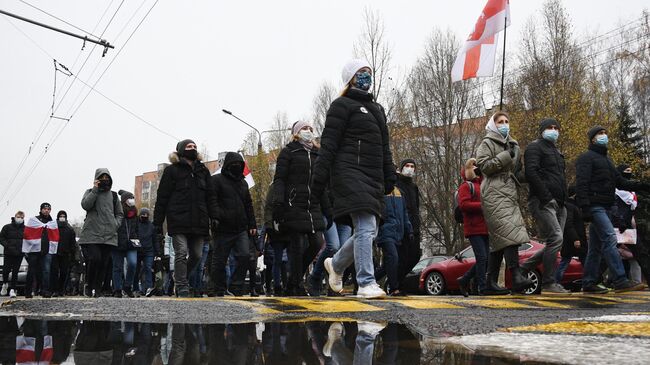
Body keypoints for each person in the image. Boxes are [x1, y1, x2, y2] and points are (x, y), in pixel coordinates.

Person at [311, 59, 396, 299]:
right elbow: (328, 146)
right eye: (361, 73)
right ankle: (366, 282)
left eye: (369, 72)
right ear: (350, 78)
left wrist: (389, 174)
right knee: (366, 226)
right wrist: (319, 181)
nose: (366, 76)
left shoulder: (377, 109)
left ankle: (336, 265)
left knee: (368, 231)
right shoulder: (341, 106)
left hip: (373, 176)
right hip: (348, 173)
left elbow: (384, 146)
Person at [575, 125, 649, 293]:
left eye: (605, 133)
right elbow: (582, 183)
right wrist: (584, 207)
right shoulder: (586, 158)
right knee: (610, 239)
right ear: (593, 138)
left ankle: (588, 282)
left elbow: (622, 182)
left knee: (595, 248)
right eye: (601, 133)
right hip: (595, 207)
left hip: (607, 207)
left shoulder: (608, 161)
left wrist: (643, 185)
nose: (604, 136)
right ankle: (620, 280)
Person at [476, 112, 533, 294]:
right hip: (493, 192)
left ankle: (490, 282)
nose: (504, 124)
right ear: (493, 125)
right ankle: (515, 275)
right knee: (509, 233)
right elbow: (484, 166)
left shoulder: (513, 144)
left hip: (509, 192)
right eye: (500, 122)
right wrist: (505, 156)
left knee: (500, 239)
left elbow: (516, 171)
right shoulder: (487, 143)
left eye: (507, 121)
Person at [154, 139, 218, 298]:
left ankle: (179, 277)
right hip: (178, 220)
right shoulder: (171, 171)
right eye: (189, 146)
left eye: (195, 146)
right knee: (181, 252)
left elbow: (211, 196)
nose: (193, 148)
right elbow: (162, 197)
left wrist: (214, 215)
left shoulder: (203, 171)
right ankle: (182, 286)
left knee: (196, 255)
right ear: (181, 150)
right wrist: (157, 222)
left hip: (199, 221)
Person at [272, 120, 327, 296]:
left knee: (317, 243)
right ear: (296, 132)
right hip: (293, 204)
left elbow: (322, 183)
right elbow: (279, 179)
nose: (308, 131)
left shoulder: (318, 154)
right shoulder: (288, 152)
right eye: (304, 128)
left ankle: (293, 279)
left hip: (313, 206)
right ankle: (296, 284)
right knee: (296, 247)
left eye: (310, 128)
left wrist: (328, 209)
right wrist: (279, 203)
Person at [520, 118, 570, 294]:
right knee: (556, 239)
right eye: (550, 127)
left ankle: (523, 270)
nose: (554, 130)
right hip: (543, 202)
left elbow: (559, 178)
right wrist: (547, 197)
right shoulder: (535, 147)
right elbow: (531, 172)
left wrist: (565, 199)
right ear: (542, 130)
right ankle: (549, 282)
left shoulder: (557, 152)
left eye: (556, 127)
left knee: (555, 242)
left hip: (560, 204)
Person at [210, 152, 257, 296]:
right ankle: (219, 288)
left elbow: (248, 205)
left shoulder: (243, 183)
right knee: (220, 260)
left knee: (245, 256)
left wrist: (252, 224)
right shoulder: (216, 180)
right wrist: (216, 217)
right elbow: (212, 201)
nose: (237, 166)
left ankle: (236, 286)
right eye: (234, 164)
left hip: (241, 228)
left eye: (240, 164)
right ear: (227, 165)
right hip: (223, 227)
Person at [78, 168, 123, 298]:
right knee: (94, 258)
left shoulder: (114, 196)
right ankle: (89, 284)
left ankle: (97, 288)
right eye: (101, 177)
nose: (104, 180)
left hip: (109, 235)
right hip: (91, 235)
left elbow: (120, 214)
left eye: (106, 177)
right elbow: (86, 205)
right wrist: (95, 189)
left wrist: (115, 224)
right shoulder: (90, 192)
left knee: (104, 263)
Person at [456, 158, 489, 296]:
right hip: (473, 228)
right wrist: (483, 206)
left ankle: (465, 280)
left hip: (484, 227)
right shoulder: (465, 186)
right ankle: (482, 286)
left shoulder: (481, 185)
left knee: (486, 259)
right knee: (482, 258)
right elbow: (464, 205)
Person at [375, 186, 413, 296]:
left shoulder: (399, 192)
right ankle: (394, 288)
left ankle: (368, 280)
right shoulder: (380, 189)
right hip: (385, 231)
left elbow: (404, 213)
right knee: (393, 257)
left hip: (398, 233)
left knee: (389, 264)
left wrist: (409, 229)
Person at [611, 164, 644, 283]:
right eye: (626, 171)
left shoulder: (632, 193)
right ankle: (615, 280)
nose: (629, 173)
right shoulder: (615, 191)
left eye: (630, 171)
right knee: (617, 254)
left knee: (634, 255)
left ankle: (636, 281)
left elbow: (631, 212)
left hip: (629, 227)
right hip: (617, 226)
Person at [395, 159, 423, 286]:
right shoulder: (397, 184)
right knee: (402, 257)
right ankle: (397, 284)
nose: (410, 168)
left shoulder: (414, 187)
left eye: (412, 166)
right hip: (402, 226)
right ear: (401, 168)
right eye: (407, 166)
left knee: (415, 256)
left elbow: (416, 207)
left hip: (414, 227)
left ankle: (397, 281)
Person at [22, 202, 58, 298]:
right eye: (45, 209)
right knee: (32, 270)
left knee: (46, 271)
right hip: (34, 250)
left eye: (48, 209)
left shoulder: (53, 222)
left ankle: (44, 290)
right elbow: (27, 233)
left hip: (47, 250)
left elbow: (56, 236)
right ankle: (28, 291)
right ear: (41, 209)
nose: (46, 210)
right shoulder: (34, 220)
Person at [556, 186, 587, 283]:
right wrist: (575, 239)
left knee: (565, 262)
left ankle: (554, 282)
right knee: (584, 261)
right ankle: (555, 282)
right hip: (574, 241)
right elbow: (568, 224)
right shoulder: (571, 207)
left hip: (571, 241)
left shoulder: (570, 206)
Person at [112, 190, 139, 298]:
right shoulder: (117, 213)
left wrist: (136, 238)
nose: (132, 200)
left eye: (133, 198)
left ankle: (127, 286)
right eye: (130, 198)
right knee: (117, 267)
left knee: (133, 263)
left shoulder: (135, 213)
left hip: (131, 244)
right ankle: (117, 289)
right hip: (118, 243)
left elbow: (137, 228)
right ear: (124, 201)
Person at [0, 211, 25, 298]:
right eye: (18, 217)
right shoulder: (7, 227)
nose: (20, 219)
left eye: (22, 217)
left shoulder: (25, 228)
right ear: (15, 217)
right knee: (6, 270)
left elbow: (27, 239)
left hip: (19, 253)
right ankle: (5, 283)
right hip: (8, 252)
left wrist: (24, 249)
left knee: (15, 272)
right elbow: (1, 238)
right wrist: (7, 245)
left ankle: (12, 290)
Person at [52, 210, 76, 296]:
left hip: (65, 253)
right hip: (55, 253)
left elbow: (73, 244)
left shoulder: (70, 229)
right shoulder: (53, 228)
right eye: (60, 216)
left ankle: (61, 289)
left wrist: (72, 255)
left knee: (64, 273)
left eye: (63, 216)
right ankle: (55, 289)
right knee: (54, 272)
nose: (62, 218)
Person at [135, 208, 157, 297]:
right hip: (137, 249)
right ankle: (136, 288)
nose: (144, 217)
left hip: (149, 250)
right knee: (136, 270)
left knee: (148, 268)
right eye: (143, 215)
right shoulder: (136, 225)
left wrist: (157, 252)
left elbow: (155, 240)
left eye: (146, 216)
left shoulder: (151, 226)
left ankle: (148, 288)